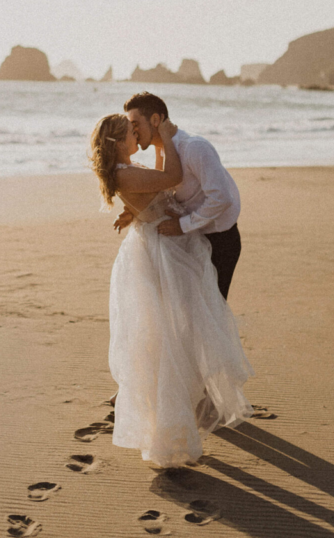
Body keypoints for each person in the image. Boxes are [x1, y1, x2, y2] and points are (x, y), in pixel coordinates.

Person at [89, 111, 253, 468]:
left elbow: (152, 191)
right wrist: (165, 133)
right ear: (120, 143)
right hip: (166, 250)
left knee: (183, 326)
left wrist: (134, 212)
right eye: (131, 133)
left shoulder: (125, 171)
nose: (137, 136)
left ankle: (191, 400)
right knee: (181, 330)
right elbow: (172, 178)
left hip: (160, 241)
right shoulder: (128, 172)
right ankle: (178, 415)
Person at [119, 91, 242, 300]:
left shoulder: (194, 147)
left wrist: (182, 225)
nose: (133, 131)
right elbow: (164, 195)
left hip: (219, 240)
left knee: (211, 312)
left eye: (136, 123)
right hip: (192, 238)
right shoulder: (164, 150)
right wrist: (134, 211)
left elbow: (221, 198)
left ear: (155, 120)